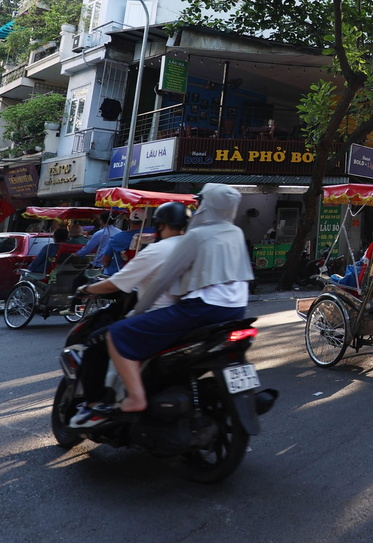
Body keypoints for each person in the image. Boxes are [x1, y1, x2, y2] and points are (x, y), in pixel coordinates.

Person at [94, 183, 254, 415]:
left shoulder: (197, 235)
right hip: (237, 311)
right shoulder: (236, 233)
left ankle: (136, 398)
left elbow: (163, 280)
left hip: (203, 309)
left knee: (119, 332)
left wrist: (138, 312)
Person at [69, 202, 190, 428]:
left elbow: (114, 280)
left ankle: (94, 405)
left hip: (145, 304)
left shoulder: (155, 249)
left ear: (160, 225)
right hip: (190, 314)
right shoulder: (195, 248)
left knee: (101, 340)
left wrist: (84, 290)